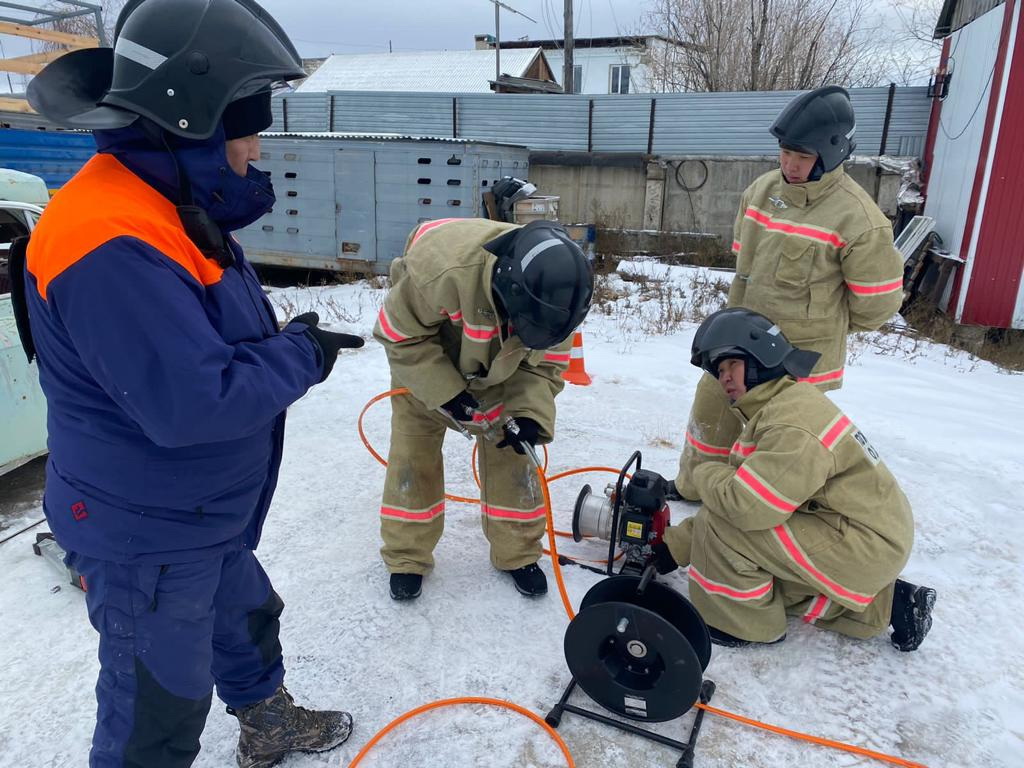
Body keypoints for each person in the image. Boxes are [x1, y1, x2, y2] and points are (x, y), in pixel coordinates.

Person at [16, 2, 361, 766]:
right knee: (156, 710)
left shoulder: (162, 203)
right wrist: (300, 355)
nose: (255, 143)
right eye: (244, 125)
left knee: (245, 621)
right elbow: (191, 402)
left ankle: (266, 720)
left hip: (198, 510)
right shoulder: (108, 243)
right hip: (146, 528)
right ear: (191, 122)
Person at [651, 308, 935, 651]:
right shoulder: (784, 405)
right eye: (720, 370)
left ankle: (742, 625)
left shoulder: (791, 423)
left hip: (862, 542)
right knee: (758, 567)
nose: (724, 377)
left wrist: (704, 470)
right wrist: (674, 546)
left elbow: (743, 510)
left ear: (760, 358)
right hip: (864, 536)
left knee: (726, 531)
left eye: (731, 365)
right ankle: (892, 604)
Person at [672, 86, 905, 501]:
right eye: (785, 152)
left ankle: (771, 506)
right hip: (738, 341)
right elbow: (746, 264)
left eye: (803, 156)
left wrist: (821, 318)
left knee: (784, 442)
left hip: (798, 357)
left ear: (831, 154)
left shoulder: (860, 219)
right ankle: (694, 489)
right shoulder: (762, 192)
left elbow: (876, 306)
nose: (790, 165)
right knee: (711, 416)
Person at [373, 218, 594, 601]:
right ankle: (406, 557)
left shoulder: (560, 302)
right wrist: (446, 393)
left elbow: (544, 365)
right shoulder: (440, 271)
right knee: (413, 454)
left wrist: (529, 414)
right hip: (426, 357)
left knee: (515, 455)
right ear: (510, 293)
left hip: (502, 368)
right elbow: (400, 336)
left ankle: (518, 554)